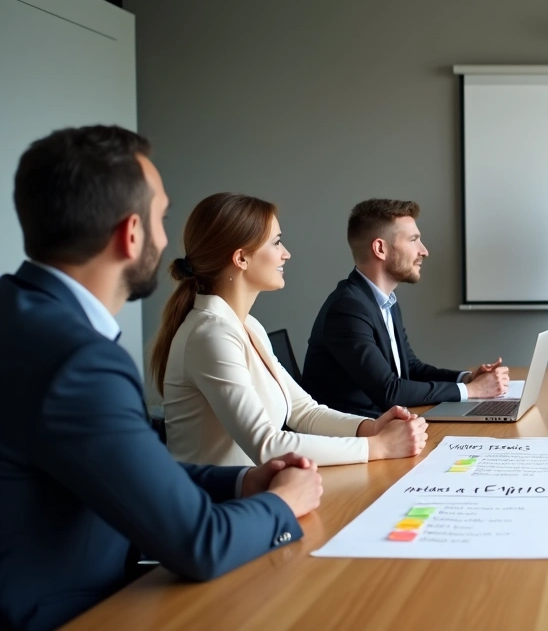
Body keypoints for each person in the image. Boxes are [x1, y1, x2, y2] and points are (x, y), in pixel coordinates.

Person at [0, 126, 323, 631]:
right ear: (130, 234)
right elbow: (201, 544)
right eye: (160, 218)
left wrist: (242, 481)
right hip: (74, 613)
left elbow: (130, 469)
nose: (166, 238)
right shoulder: (79, 362)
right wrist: (284, 502)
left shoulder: (22, 318)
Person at [152, 193, 428, 467]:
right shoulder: (210, 335)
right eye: (276, 242)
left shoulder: (247, 326)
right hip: (220, 503)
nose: (286, 253)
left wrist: (372, 428)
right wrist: (376, 446)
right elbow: (267, 445)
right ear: (241, 258)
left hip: (254, 493)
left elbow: (304, 411)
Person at [302, 199, 509, 416]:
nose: (424, 251)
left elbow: (410, 368)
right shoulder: (347, 309)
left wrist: (466, 378)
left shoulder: (385, 300)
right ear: (380, 248)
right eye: (413, 240)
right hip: (354, 439)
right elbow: (390, 391)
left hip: (384, 427)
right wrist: (471, 390)